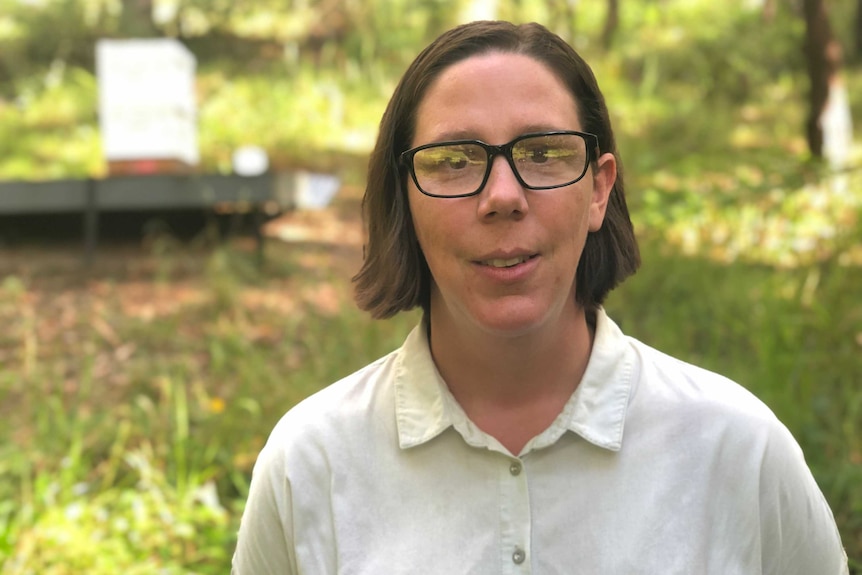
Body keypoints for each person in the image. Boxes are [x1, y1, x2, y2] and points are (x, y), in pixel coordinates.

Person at [232, 20, 849, 574]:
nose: (503, 195)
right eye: (454, 160)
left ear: (599, 190)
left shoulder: (736, 448)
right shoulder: (311, 461)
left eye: (544, 153)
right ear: (407, 197)